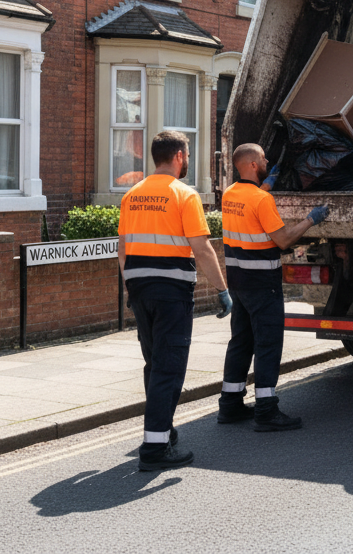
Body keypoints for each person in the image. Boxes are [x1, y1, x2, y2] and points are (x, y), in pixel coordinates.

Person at [118, 131, 231, 471]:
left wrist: (131, 288)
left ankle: (162, 429)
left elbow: (122, 250)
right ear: (180, 156)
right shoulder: (184, 194)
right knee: (169, 367)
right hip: (172, 292)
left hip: (140, 288)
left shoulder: (132, 195)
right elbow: (201, 248)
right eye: (188, 155)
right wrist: (222, 289)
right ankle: (154, 448)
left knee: (154, 364)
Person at [217, 143, 329, 431]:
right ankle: (266, 410)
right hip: (262, 283)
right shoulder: (261, 201)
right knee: (267, 344)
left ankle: (230, 404)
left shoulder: (230, 194)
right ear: (253, 164)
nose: (268, 161)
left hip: (238, 281)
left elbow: (250, 207)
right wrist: (310, 219)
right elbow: (282, 240)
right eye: (264, 159)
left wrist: (266, 184)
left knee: (240, 341)